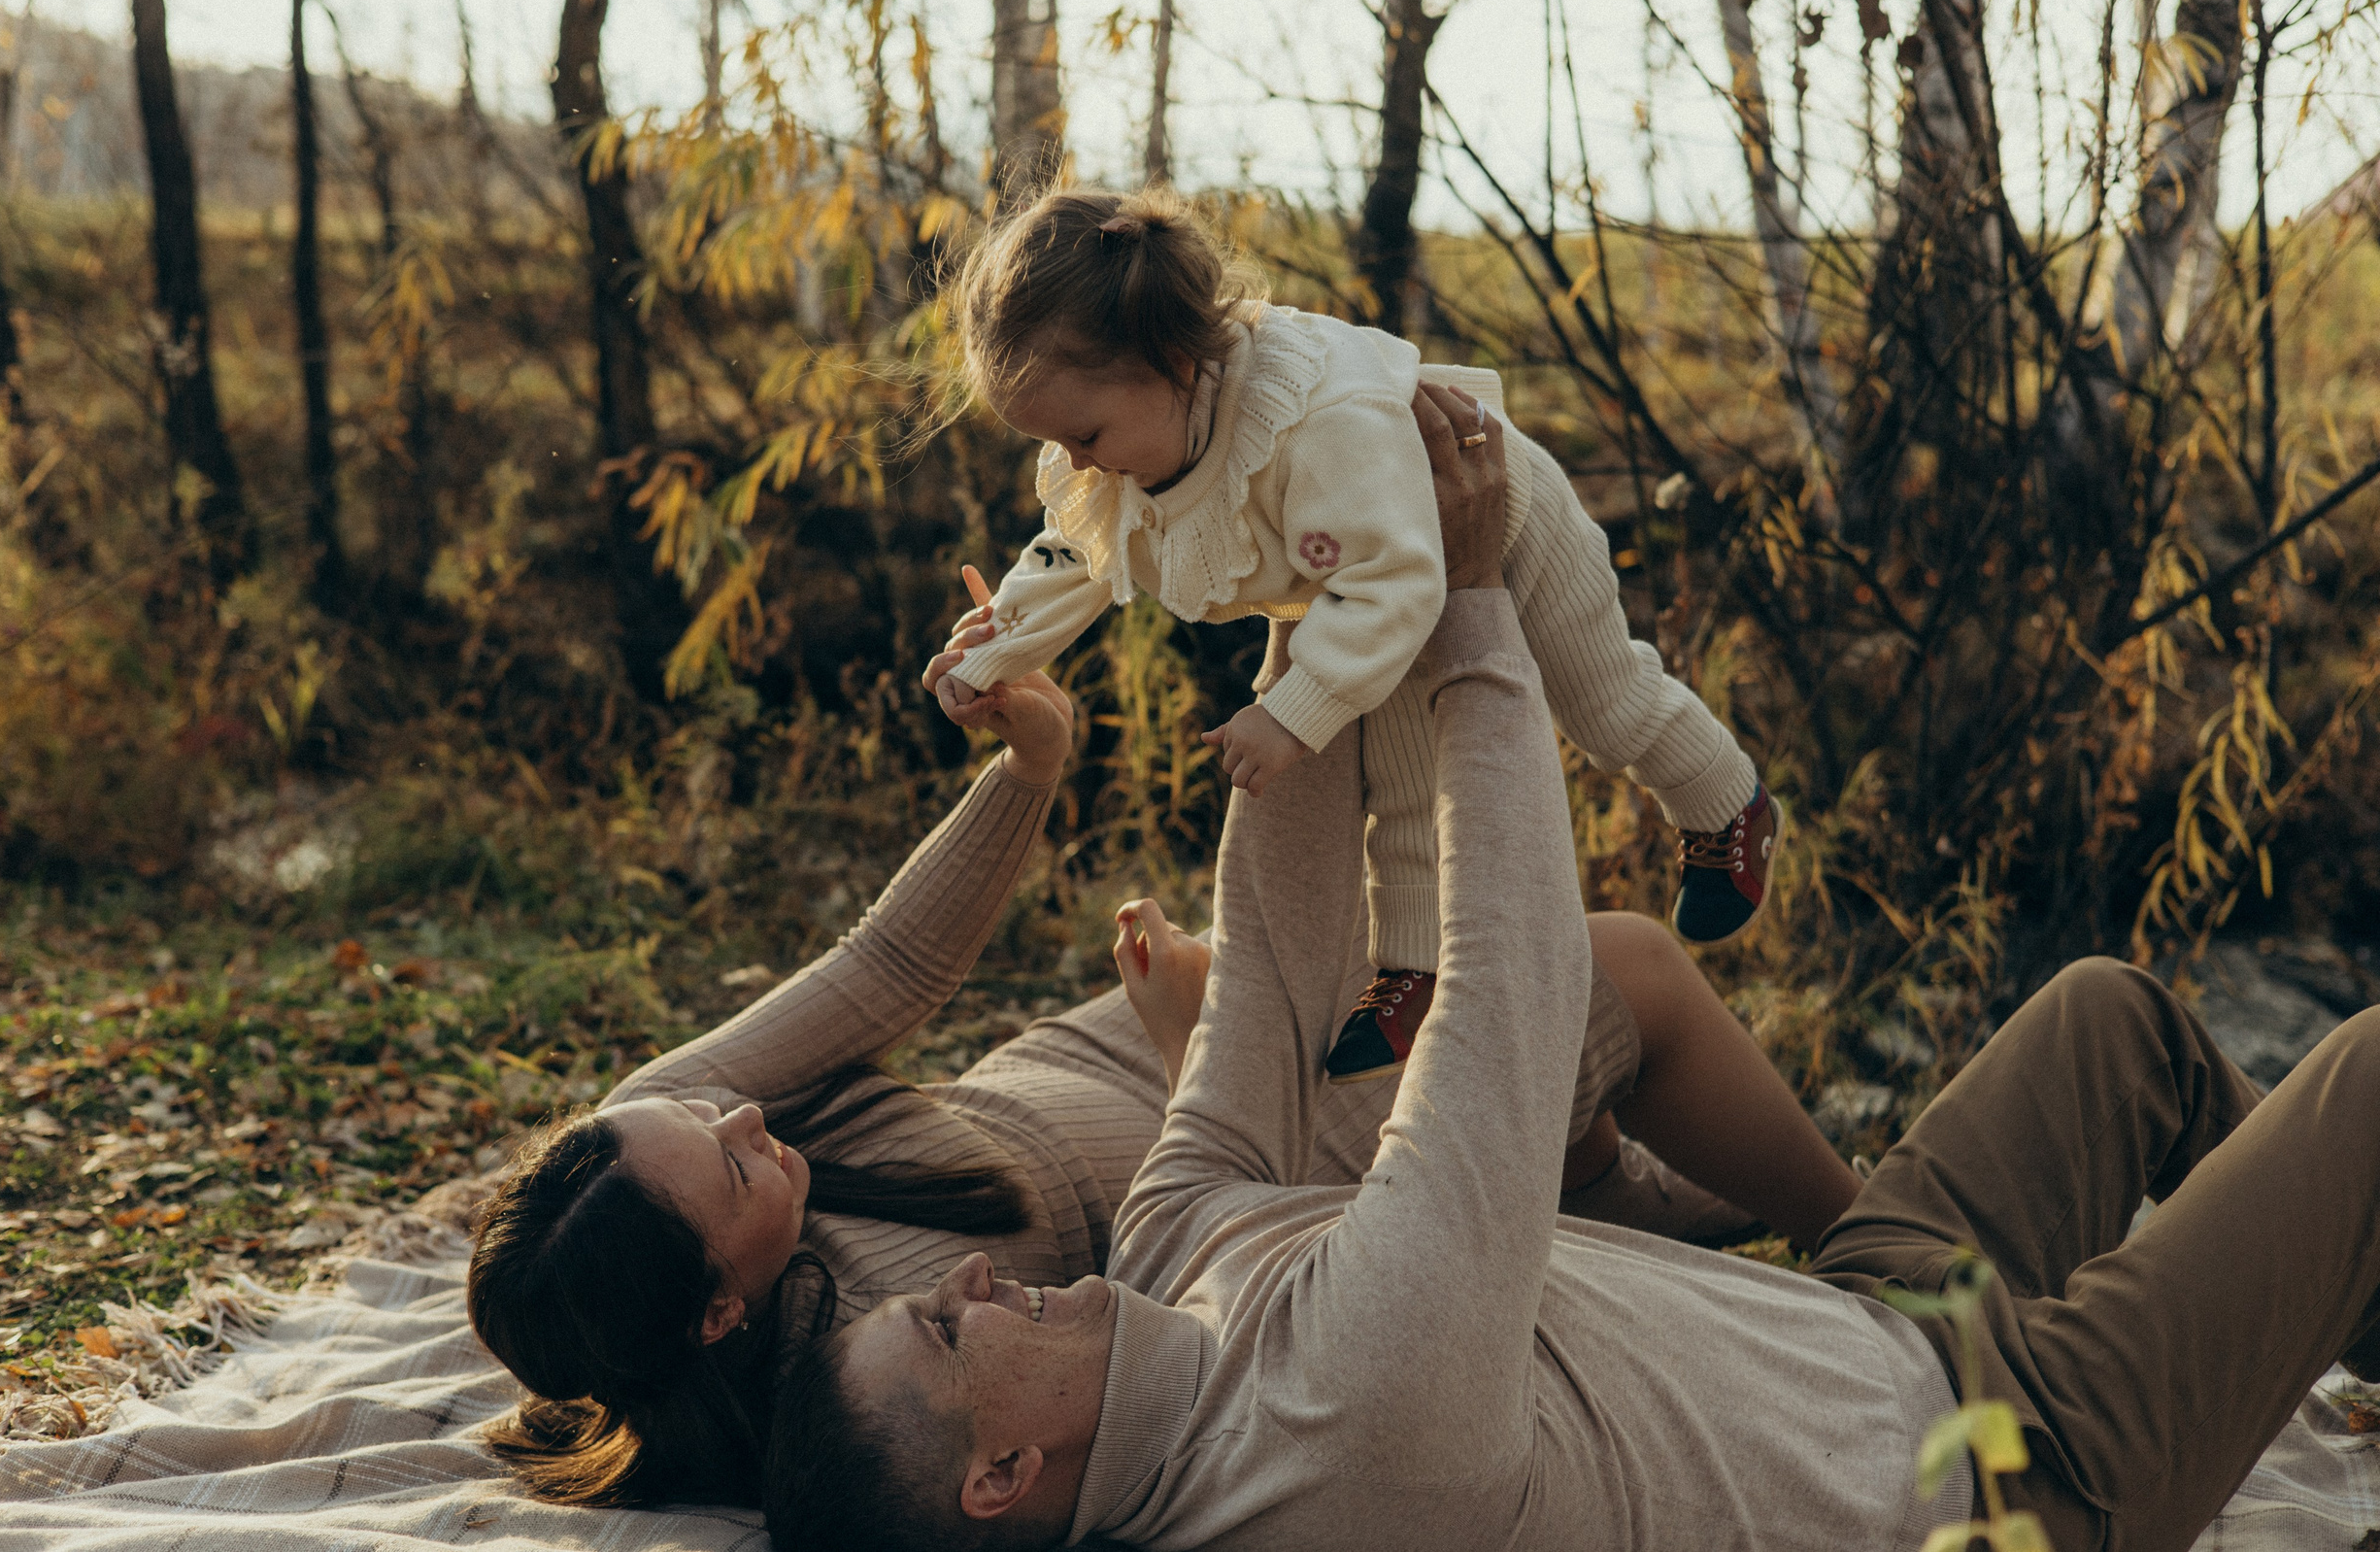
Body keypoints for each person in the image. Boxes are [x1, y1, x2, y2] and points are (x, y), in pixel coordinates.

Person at [765, 396, 2380, 1552]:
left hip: (1870, 1320)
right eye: (947, 1337)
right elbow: (1506, 997)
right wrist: (1470, 615)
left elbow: (1268, 964)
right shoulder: (1331, 1428)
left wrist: (1302, 587)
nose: (969, 1283)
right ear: (1002, 1473)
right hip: (2014, 1467)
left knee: (2114, 1021)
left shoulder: (1179, 1258)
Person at [463, 387, 1858, 1513]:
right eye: (724, 1159)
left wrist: (1029, 766)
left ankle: (1700, 1209)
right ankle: (1877, 1242)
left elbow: (884, 970)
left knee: (1529, 1074)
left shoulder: (642, 1147)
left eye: (705, 1110)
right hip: (1253, 1153)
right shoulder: (887, 1389)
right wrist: (1207, 1040)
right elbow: (1198, 1369)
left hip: (1107, 1051)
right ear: (718, 1314)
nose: (742, 1111)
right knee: (1624, 971)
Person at [930, 185, 1776, 1084]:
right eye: (1059, 445)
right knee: (1401, 773)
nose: (1078, 462)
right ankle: (1414, 968)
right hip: (1360, 579)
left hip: (1488, 516)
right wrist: (994, 652)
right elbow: (1076, 549)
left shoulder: (1318, 418)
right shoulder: (1128, 433)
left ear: (1175, 361)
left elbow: (1391, 578)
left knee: (1606, 700)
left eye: (1084, 434)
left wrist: (1291, 711)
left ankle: (1727, 803)